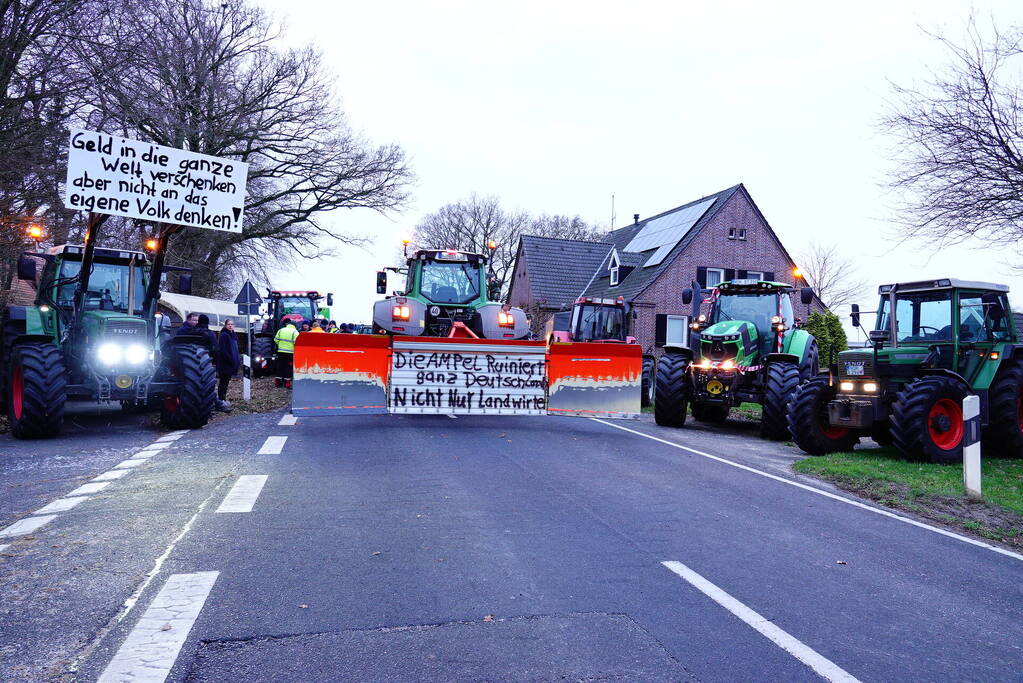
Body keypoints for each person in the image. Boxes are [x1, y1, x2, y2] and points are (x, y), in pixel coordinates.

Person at [215, 318, 241, 412]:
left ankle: (223, 399)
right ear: (225, 325)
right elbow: (223, 350)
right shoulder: (224, 335)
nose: (230, 326)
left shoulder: (233, 335)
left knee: (225, 383)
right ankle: (221, 400)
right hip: (225, 364)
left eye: (232, 324)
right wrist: (230, 360)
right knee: (223, 383)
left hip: (230, 364)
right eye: (229, 324)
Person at [274, 320, 299, 388]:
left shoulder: (281, 330)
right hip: (290, 353)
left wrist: (281, 345)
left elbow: (276, 340)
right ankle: (287, 383)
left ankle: (278, 382)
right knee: (288, 367)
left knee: (280, 366)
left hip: (280, 352)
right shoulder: (295, 332)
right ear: (295, 326)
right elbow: (296, 343)